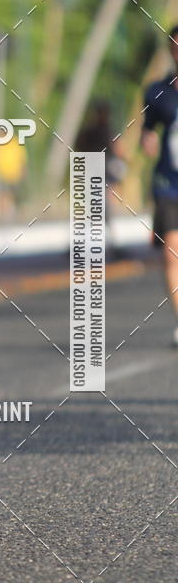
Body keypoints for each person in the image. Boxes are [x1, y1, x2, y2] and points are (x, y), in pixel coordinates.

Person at [140, 23, 178, 347]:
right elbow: (148, 129)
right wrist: (147, 139)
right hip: (169, 184)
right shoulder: (157, 92)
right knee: (171, 255)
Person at [75, 99, 127, 258]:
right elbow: (119, 150)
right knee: (97, 210)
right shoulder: (102, 131)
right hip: (97, 173)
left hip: (99, 173)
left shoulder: (94, 130)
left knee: (99, 210)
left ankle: (107, 244)